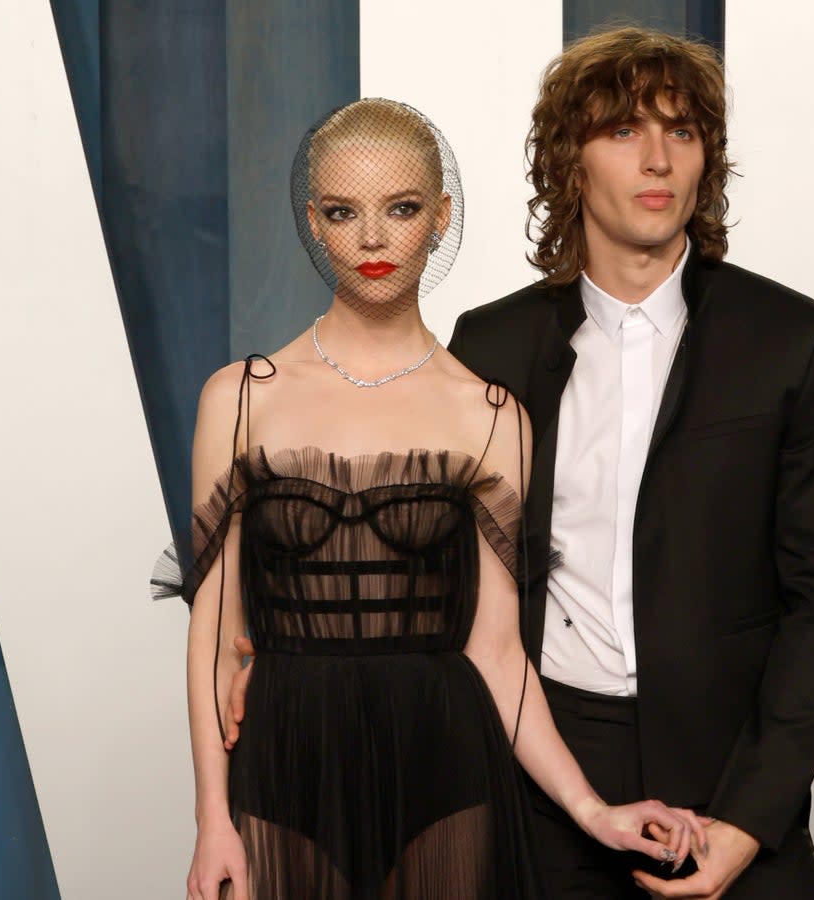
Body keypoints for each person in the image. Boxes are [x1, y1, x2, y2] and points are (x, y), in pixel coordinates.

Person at [229, 31, 814, 898]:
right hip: (541, 779)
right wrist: (268, 648)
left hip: (734, 773)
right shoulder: (493, 345)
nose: (657, 158)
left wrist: (751, 819)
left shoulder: (794, 341)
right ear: (571, 162)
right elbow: (425, 557)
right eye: (623, 131)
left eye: (682, 133)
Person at [176, 98, 706, 900]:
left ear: (441, 217)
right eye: (343, 212)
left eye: (402, 208)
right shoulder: (241, 398)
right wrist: (211, 819)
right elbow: (213, 644)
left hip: (446, 770)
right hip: (285, 764)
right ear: (315, 225)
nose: (374, 238)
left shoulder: (488, 415)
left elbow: (496, 654)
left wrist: (592, 810)